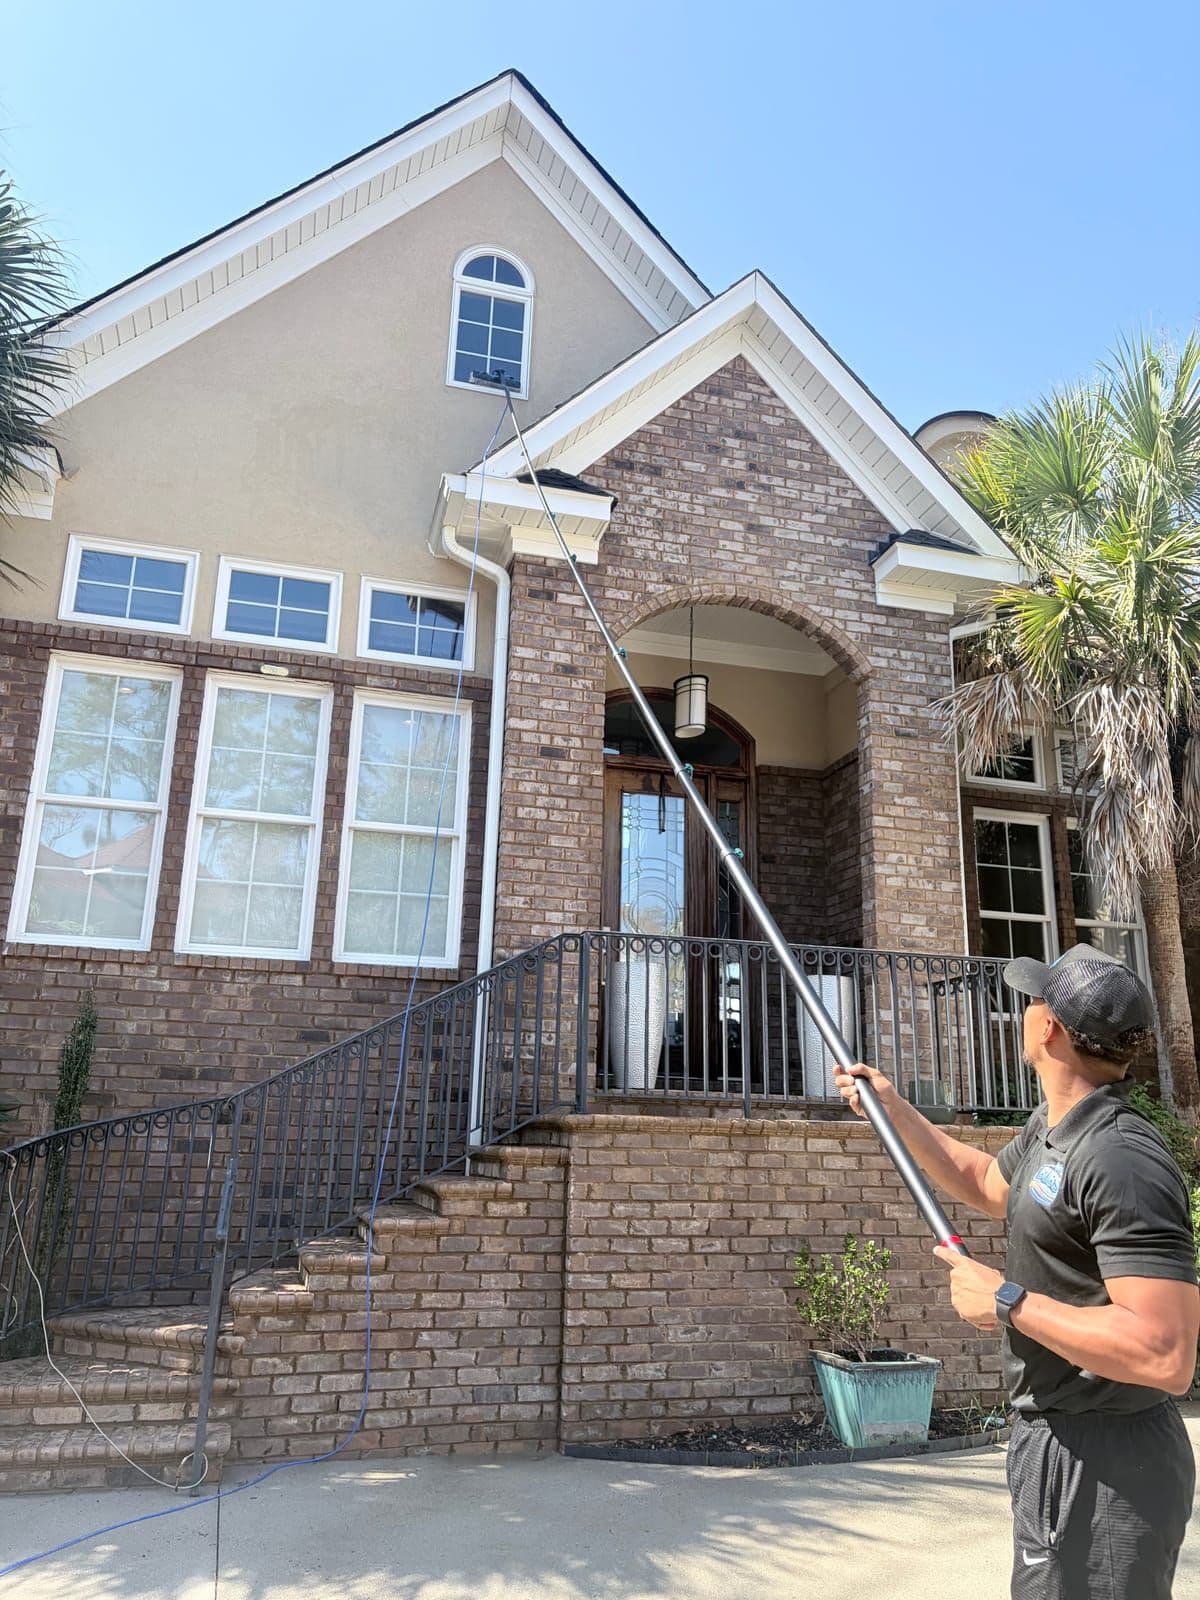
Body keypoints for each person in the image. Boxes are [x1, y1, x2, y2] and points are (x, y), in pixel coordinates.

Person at [833, 944, 1199, 1600]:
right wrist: (893, 1109)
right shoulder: (1056, 1128)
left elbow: (1164, 1353)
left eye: (1034, 999)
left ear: (1050, 1028)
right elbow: (984, 1183)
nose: (1024, 1009)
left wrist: (1007, 1299)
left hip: (1109, 1461)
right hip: (1055, 1440)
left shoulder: (1121, 1158)